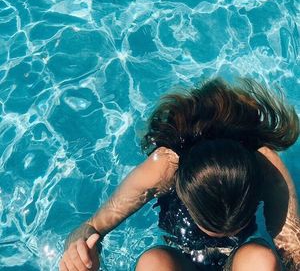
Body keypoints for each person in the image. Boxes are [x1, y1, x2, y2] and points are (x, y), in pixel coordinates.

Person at [59, 77, 300, 271]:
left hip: (241, 260)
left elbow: (293, 251)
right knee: (154, 264)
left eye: (237, 226)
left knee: (260, 262)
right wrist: (79, 254)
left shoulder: (267, 169)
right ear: (183, 194)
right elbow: (91, 227)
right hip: (181, 262)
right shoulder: (164, 168)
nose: (226, 236)